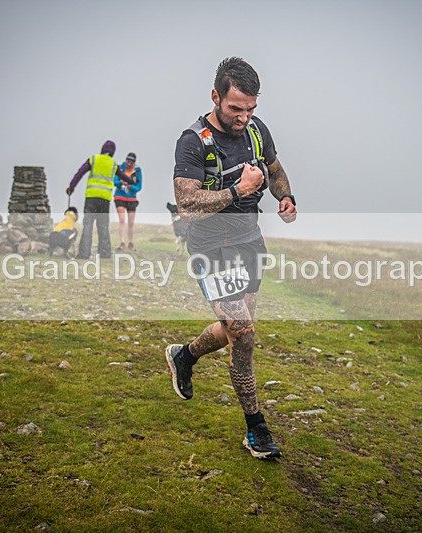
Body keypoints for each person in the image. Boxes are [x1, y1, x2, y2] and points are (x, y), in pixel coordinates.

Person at [166, 57, 297, 460]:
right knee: (243, 333)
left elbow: (274, 170)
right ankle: (256, 428)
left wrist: (286, 196)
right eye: (235, 108)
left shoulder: (256, 131)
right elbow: (187, 204)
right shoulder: (193, 141)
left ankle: (183, 356)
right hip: (211, 249)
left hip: (249, 242)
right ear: (216, 96)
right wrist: (239, 191)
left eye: (251, 109)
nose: (243, 117)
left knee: (237, 327)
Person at [66, 140, 131, 259]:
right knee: (103, 226)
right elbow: (124, 177)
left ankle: (84, 253)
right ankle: (105, 253)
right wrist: (131, 181)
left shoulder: (93, 159)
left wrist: (71, 187)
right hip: (104, 200)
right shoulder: (113, 164)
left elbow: (80, 173)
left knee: (88, 226)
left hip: (91, 198)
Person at [114, 152, 143, 252]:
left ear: (134, 163)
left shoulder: (137, 171)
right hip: (119, 196)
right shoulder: (120, 168)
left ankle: (130, 243)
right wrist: (121, 182)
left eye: (131, 162)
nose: (129, 163)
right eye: (127, 161)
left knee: (131, 222)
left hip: (131, 198)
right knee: (122, 220)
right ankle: (122, 242)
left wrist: (131, 187)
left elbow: (139, 186)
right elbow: (115, 181)